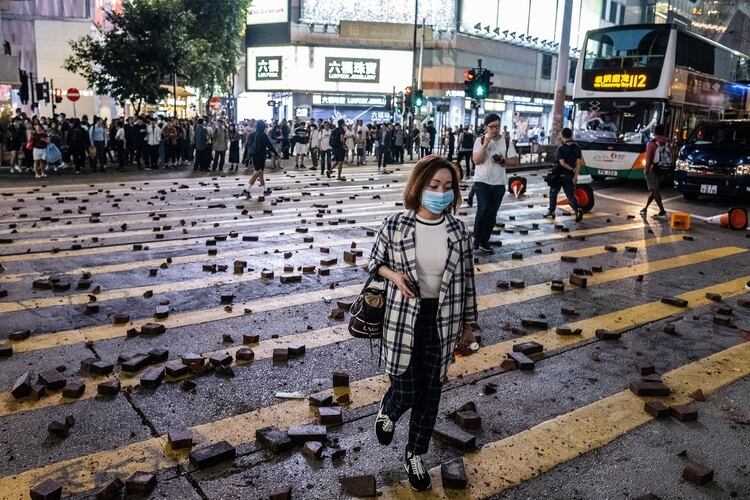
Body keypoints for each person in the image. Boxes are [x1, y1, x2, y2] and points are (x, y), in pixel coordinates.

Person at [368, 154, 477, 492]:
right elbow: (374, 262)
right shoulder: (396, 225)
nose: (441, 192)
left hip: (443, 320)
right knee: (406, 386)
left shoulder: (458, 232)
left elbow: (467, 280)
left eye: (447, 187)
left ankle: (415, 455)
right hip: (403, 318)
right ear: (419, 186)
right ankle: (390, 407)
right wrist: (393, 275)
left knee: (430, 395)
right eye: (434, 186)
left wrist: (470, 325)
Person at [471, 113, 507, 254]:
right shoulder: (479, 141)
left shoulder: (506, 141)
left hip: (499, 182)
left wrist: (502, 161)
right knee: (483, 208)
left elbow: (515, 160)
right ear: (486, 127)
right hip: (482, 181)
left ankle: (484, 241)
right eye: (492, 127)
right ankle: (476, 238)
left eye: (497, 127)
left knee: (492, 214)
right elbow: (477, 160)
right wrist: (485, 144)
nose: (495, 130)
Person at [544, 127, 584, 222]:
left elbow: (562, 163)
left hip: (558, 175)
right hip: (570, 176)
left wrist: (570, 168)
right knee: (570, 195)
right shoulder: (577, 148)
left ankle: (552, 212)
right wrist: (575, 175)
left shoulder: (561, 149)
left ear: (562, 136)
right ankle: (578, 210)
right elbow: (579, 163)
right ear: (571, 135)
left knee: (553, 193)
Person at [242, 120, 279, 198]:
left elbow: (247, 146)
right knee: (257, 173)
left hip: (253, 156)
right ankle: (246, 189)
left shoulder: (252, 134)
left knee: (260, 173)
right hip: (261, 156)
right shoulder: (263, 135)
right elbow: (269, 145)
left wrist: (245, 157)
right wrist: (276, 153)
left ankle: (264, 190)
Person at [640, 124, 670, 218]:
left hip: (653, 169)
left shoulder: (651, 143)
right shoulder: (667, 141)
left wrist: (646, 169)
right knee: (654, 189)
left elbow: (648, 158)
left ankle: (662, 211)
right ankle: (645, 208)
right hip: (663, 168)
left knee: (655, 190)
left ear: (654, 132)